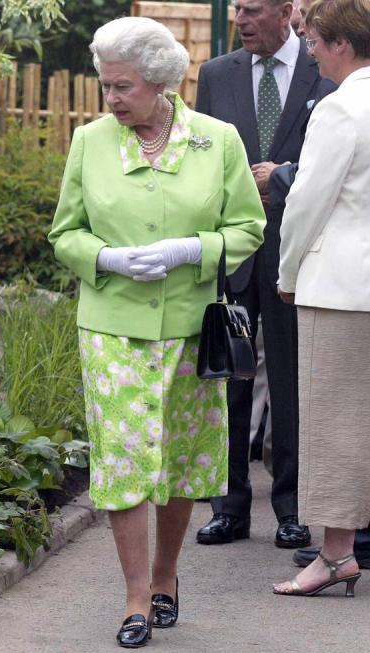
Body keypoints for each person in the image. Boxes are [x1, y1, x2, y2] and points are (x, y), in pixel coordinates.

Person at [48, 17, 264, 648]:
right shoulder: (89, 143)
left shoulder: (216, 140)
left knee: (175, 459)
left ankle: (167, 575)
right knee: (122, 456)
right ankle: (135, 597)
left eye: (124, 86)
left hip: (192, 327)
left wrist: (189, 250)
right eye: (105, 85)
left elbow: (247, 229)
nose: (112, 98)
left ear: (162, 82)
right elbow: (65, 233)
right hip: (111, 325)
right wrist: (108, 259)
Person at [192, 0, 334, 549]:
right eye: (237, 12)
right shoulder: (215, 75)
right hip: (233, 254)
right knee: (228, 378)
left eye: (253, 11)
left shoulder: (323, 74)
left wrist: (283, 180)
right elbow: (203, 160)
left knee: (294, 383)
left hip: (298, 253)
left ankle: (292, 509)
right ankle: (228, 507)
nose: (242, 21)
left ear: (286, 11)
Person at [273, 0, 370, 597]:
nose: (308, 51)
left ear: (340, 43)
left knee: (335, 420)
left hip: (341, 287)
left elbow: (306, 203)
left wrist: (287, 274)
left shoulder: (340, 109)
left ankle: (336, 555)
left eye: (313, 41)